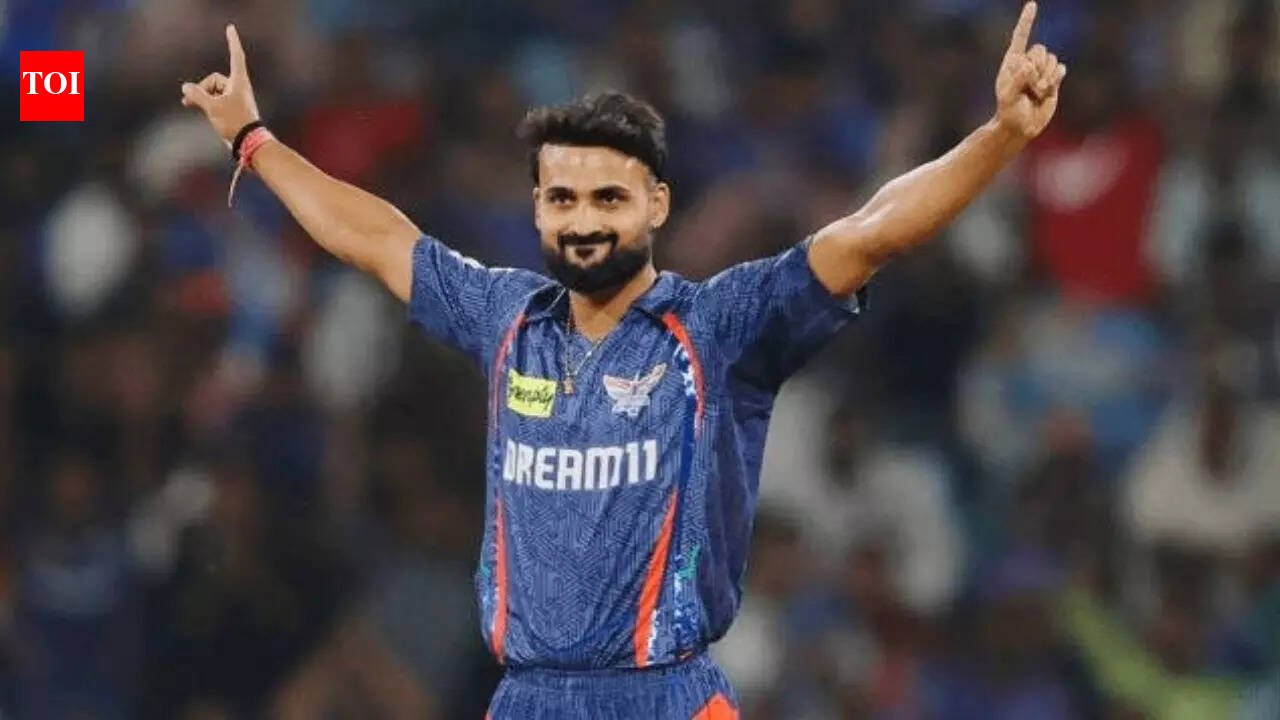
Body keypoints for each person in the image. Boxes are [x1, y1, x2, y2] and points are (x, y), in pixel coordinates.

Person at [178, 3, 1066, 717]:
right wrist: (253, 139)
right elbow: (375, 236)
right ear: (537, 209)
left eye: (610, 197)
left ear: (657, 206)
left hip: (665, 697)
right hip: (528, 699)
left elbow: (870, 234)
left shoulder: (718, 327)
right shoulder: (507, 321)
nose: (584, 220)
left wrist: (999, 136)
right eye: (562, 198)